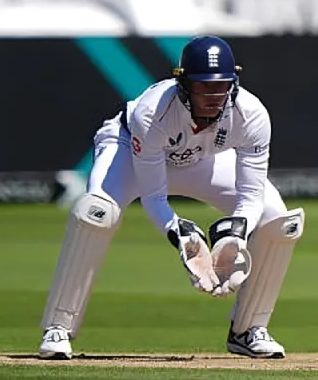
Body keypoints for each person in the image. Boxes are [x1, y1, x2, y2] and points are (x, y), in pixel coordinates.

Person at [38, 35, 304, 360]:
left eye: (221, 86)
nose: (214, 96)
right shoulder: (152, 113)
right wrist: (179, 233)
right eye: (204, 86)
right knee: (97, 212)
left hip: (202, 158)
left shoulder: (252, 114)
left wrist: (236, 235)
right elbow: (153, 196)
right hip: (129, 150)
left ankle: (248, 330)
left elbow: (251, 195)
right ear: (184, 84)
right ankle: (58, 327)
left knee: (277, 220)